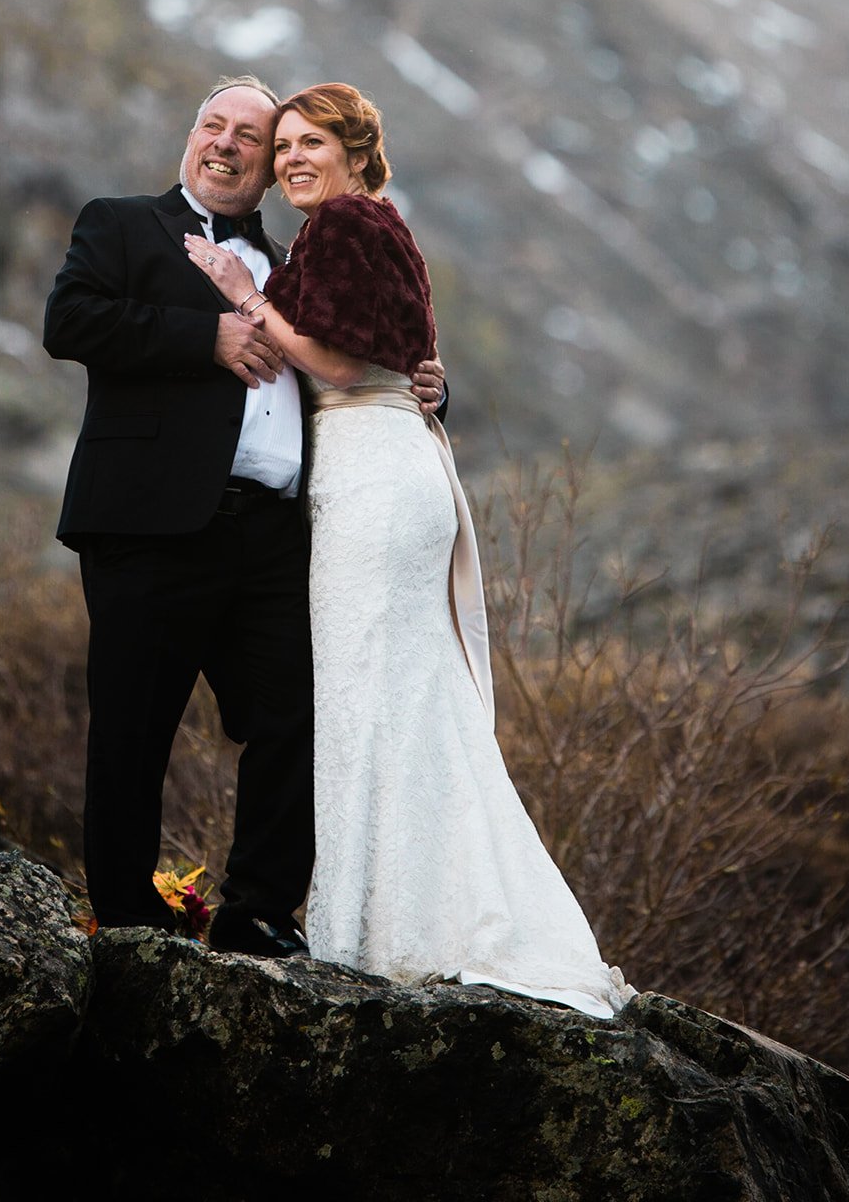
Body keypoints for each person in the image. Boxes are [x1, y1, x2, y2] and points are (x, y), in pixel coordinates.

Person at [186, 83, 634, 1018]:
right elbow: (398, 356)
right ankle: (408, 915)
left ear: (356, 150)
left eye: (312, 142)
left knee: (366, 698)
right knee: (404, 696)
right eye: (284, 148)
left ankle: (384, 930)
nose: (290, 160)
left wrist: (244, 296)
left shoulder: (344, 222)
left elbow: (344, 365)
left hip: (374, 479)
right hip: (396, 466)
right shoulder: (375, 224)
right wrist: (423, 381)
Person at [43, 75, 445, 955]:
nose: (225, 142)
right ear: (191, 137)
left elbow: (356, 351)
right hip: (147, 524)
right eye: (211, 125)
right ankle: (124, 915)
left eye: (249, 136)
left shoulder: (297, 259)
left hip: (274, 536)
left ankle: (257, 909)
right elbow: (70, 321)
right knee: (132, 726)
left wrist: (422, 380)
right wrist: (205, 337)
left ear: (270, 167)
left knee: (296, 714)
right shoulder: (119, 222)